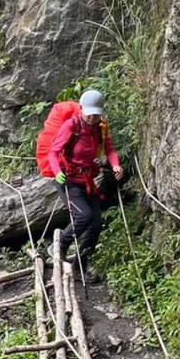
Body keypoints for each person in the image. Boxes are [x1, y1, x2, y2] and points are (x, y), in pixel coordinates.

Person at [48, 89, 123, 262]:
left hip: (87, 180)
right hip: (68, 180)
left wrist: (116, 165)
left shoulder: (100, 128)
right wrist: (57, 172)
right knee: (83, 216)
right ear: (82, 109)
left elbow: (109, 149)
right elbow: (53, 152)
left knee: (96, 224)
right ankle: (58, 247)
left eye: (96, 115)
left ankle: (82, 262)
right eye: (89, 114)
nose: (92, 119)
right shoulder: (71, 126)